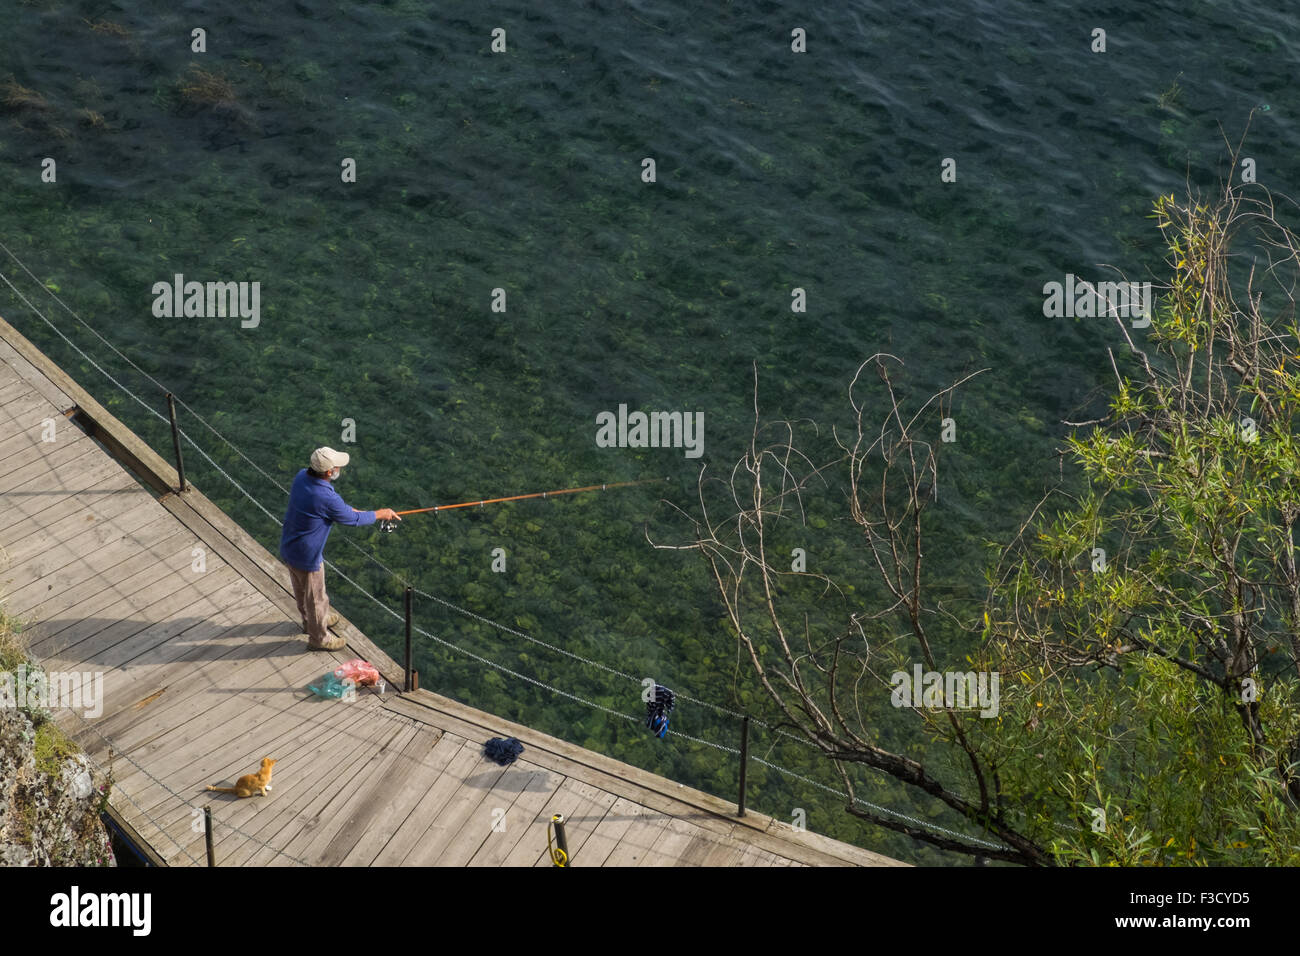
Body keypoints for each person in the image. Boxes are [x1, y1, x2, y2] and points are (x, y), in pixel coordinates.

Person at [280, 447, 401, 650]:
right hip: (308, 557)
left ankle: (309, 622)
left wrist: (359, 512)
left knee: (302, 593)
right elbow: (351, 519)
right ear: (329, 472)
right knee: (317, 598)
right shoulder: (325, 496)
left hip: (289, 546)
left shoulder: (301, 476)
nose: (339, 470)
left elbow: (341, 511)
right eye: (337, 467)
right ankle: (319, 639)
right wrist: (381, 513)